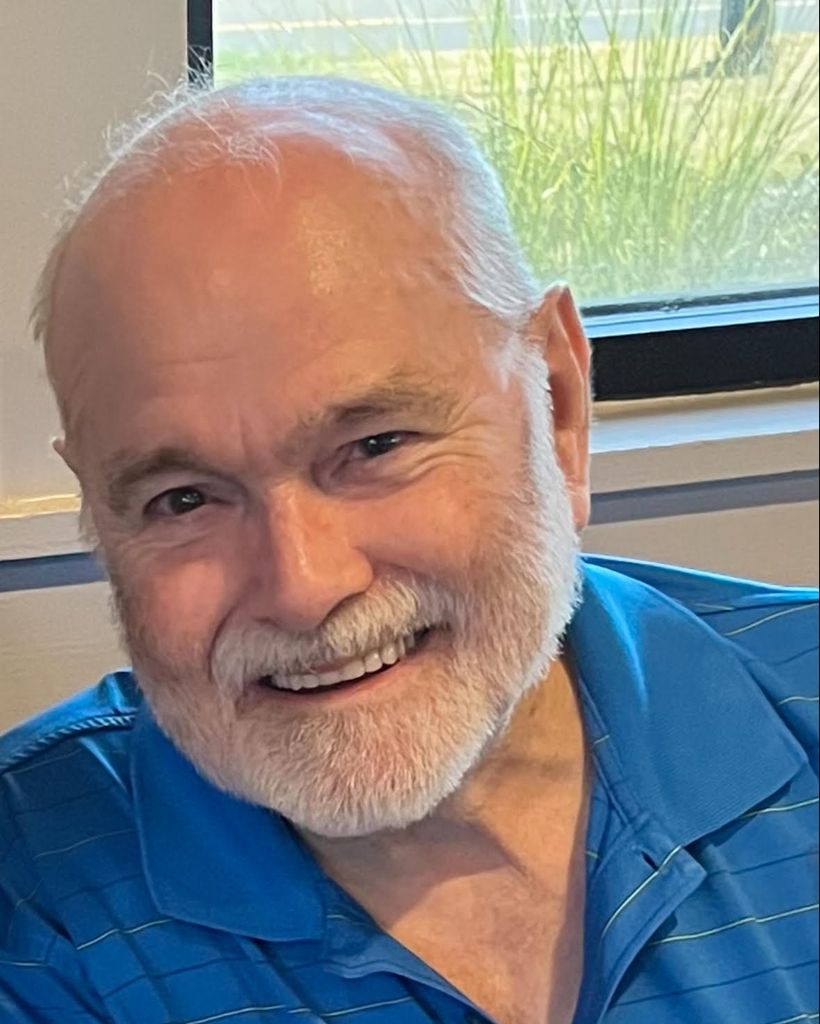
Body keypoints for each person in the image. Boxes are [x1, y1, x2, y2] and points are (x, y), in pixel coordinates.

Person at [0, 76, 816, 1024]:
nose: (303, 586)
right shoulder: (32, 899)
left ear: (557, 406)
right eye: (183, 499)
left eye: (376, 446)